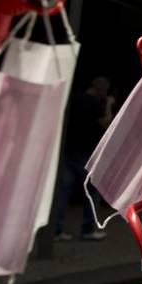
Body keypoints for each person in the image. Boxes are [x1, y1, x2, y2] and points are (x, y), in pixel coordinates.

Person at [53, 77, 115, 241]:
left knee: (63, 191)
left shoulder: (74, 98)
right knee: (92, 191)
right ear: (101, 88)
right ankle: (88, 230)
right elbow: (106, 124)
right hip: (86, 153)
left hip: (68, 149)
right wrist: (108, 104)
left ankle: (56, 230)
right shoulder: (95, 103)